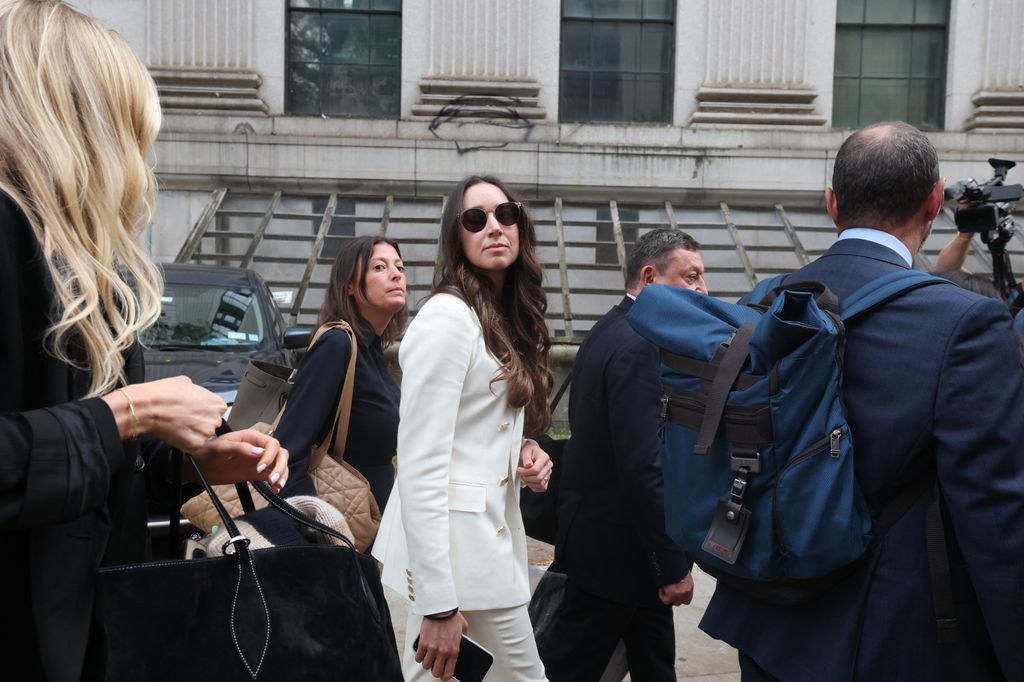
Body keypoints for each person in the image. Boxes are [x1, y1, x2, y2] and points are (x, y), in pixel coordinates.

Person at [0, 2, 290, 680]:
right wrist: (134, 411)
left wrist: (188, 465)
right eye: (127, 128)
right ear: (80, 123)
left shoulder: (75, 260)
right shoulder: (12, 233)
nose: (138, 158)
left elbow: (84, 469)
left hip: (97, 628)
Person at [699, 121, 1024, 680]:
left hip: (769, 621)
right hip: (893, 636)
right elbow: (997, 519)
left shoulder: (764, 301)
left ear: (832, 203)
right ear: (933, 202)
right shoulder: (966, 324)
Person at [373, 175, 554, 681]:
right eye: (476, 219)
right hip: (459, 559)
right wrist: (437, 602)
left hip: (479, 552)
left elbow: (476, 427)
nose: (494, 227)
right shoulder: (447, 319)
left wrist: (524, 448)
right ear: (458, 237)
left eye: (506, 214)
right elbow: (420, 465)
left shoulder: (494, 315)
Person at [538, 228, 700, 681]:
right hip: (618, 559)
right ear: (649, 278)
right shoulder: (641, 345)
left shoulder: (610, 327)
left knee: (652, 664)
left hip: (606, 549)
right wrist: (670, 565)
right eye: (690, 277)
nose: (702, 290)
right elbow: (643, 465)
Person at [247, 235, 408, 545]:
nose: (396, 274)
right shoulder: (336, 345)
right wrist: (321, 527)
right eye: (379, 267)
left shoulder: (372, 351)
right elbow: (288, 451)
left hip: (371, 530)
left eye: (399, 267)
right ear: (350, 286)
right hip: (340, 534)